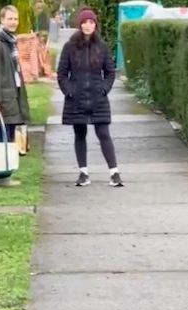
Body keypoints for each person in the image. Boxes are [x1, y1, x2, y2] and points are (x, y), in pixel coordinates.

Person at [56, 7, 122, 187]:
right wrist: (69, 91)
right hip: (76, 99)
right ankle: (83, 172)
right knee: (80, 134)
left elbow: (110, 72)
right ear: (80, 24)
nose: (87, 25)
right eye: (84, 22)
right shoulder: (69, 47)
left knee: (103, 133)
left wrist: (104, 89)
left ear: (95, 25)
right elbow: (62, 74)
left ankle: (114, 172)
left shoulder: (102, 46)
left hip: (97, 98)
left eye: (91, 22)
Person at [0, 5, 31, 188]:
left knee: (9, 137)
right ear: (2, 20)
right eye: (10, 19)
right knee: (0, 139)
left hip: (13, 97)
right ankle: (1, 177)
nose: (13, 22)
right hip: (2, 101)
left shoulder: (10, 42)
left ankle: (6, 175)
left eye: (16, 19)